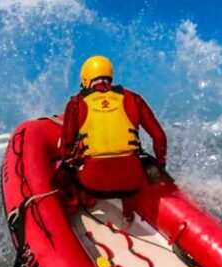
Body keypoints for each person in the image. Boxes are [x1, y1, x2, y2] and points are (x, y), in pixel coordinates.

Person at [58, 55, 167, 222]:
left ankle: (81, 204)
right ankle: (128, 215)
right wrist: (160, 163)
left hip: (92, 183)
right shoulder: (133, 98)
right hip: (131, 182)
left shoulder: (76, 103)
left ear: (86, 79)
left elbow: (66, 147)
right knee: (134, 161)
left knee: (70, 163)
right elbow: (159, 137)